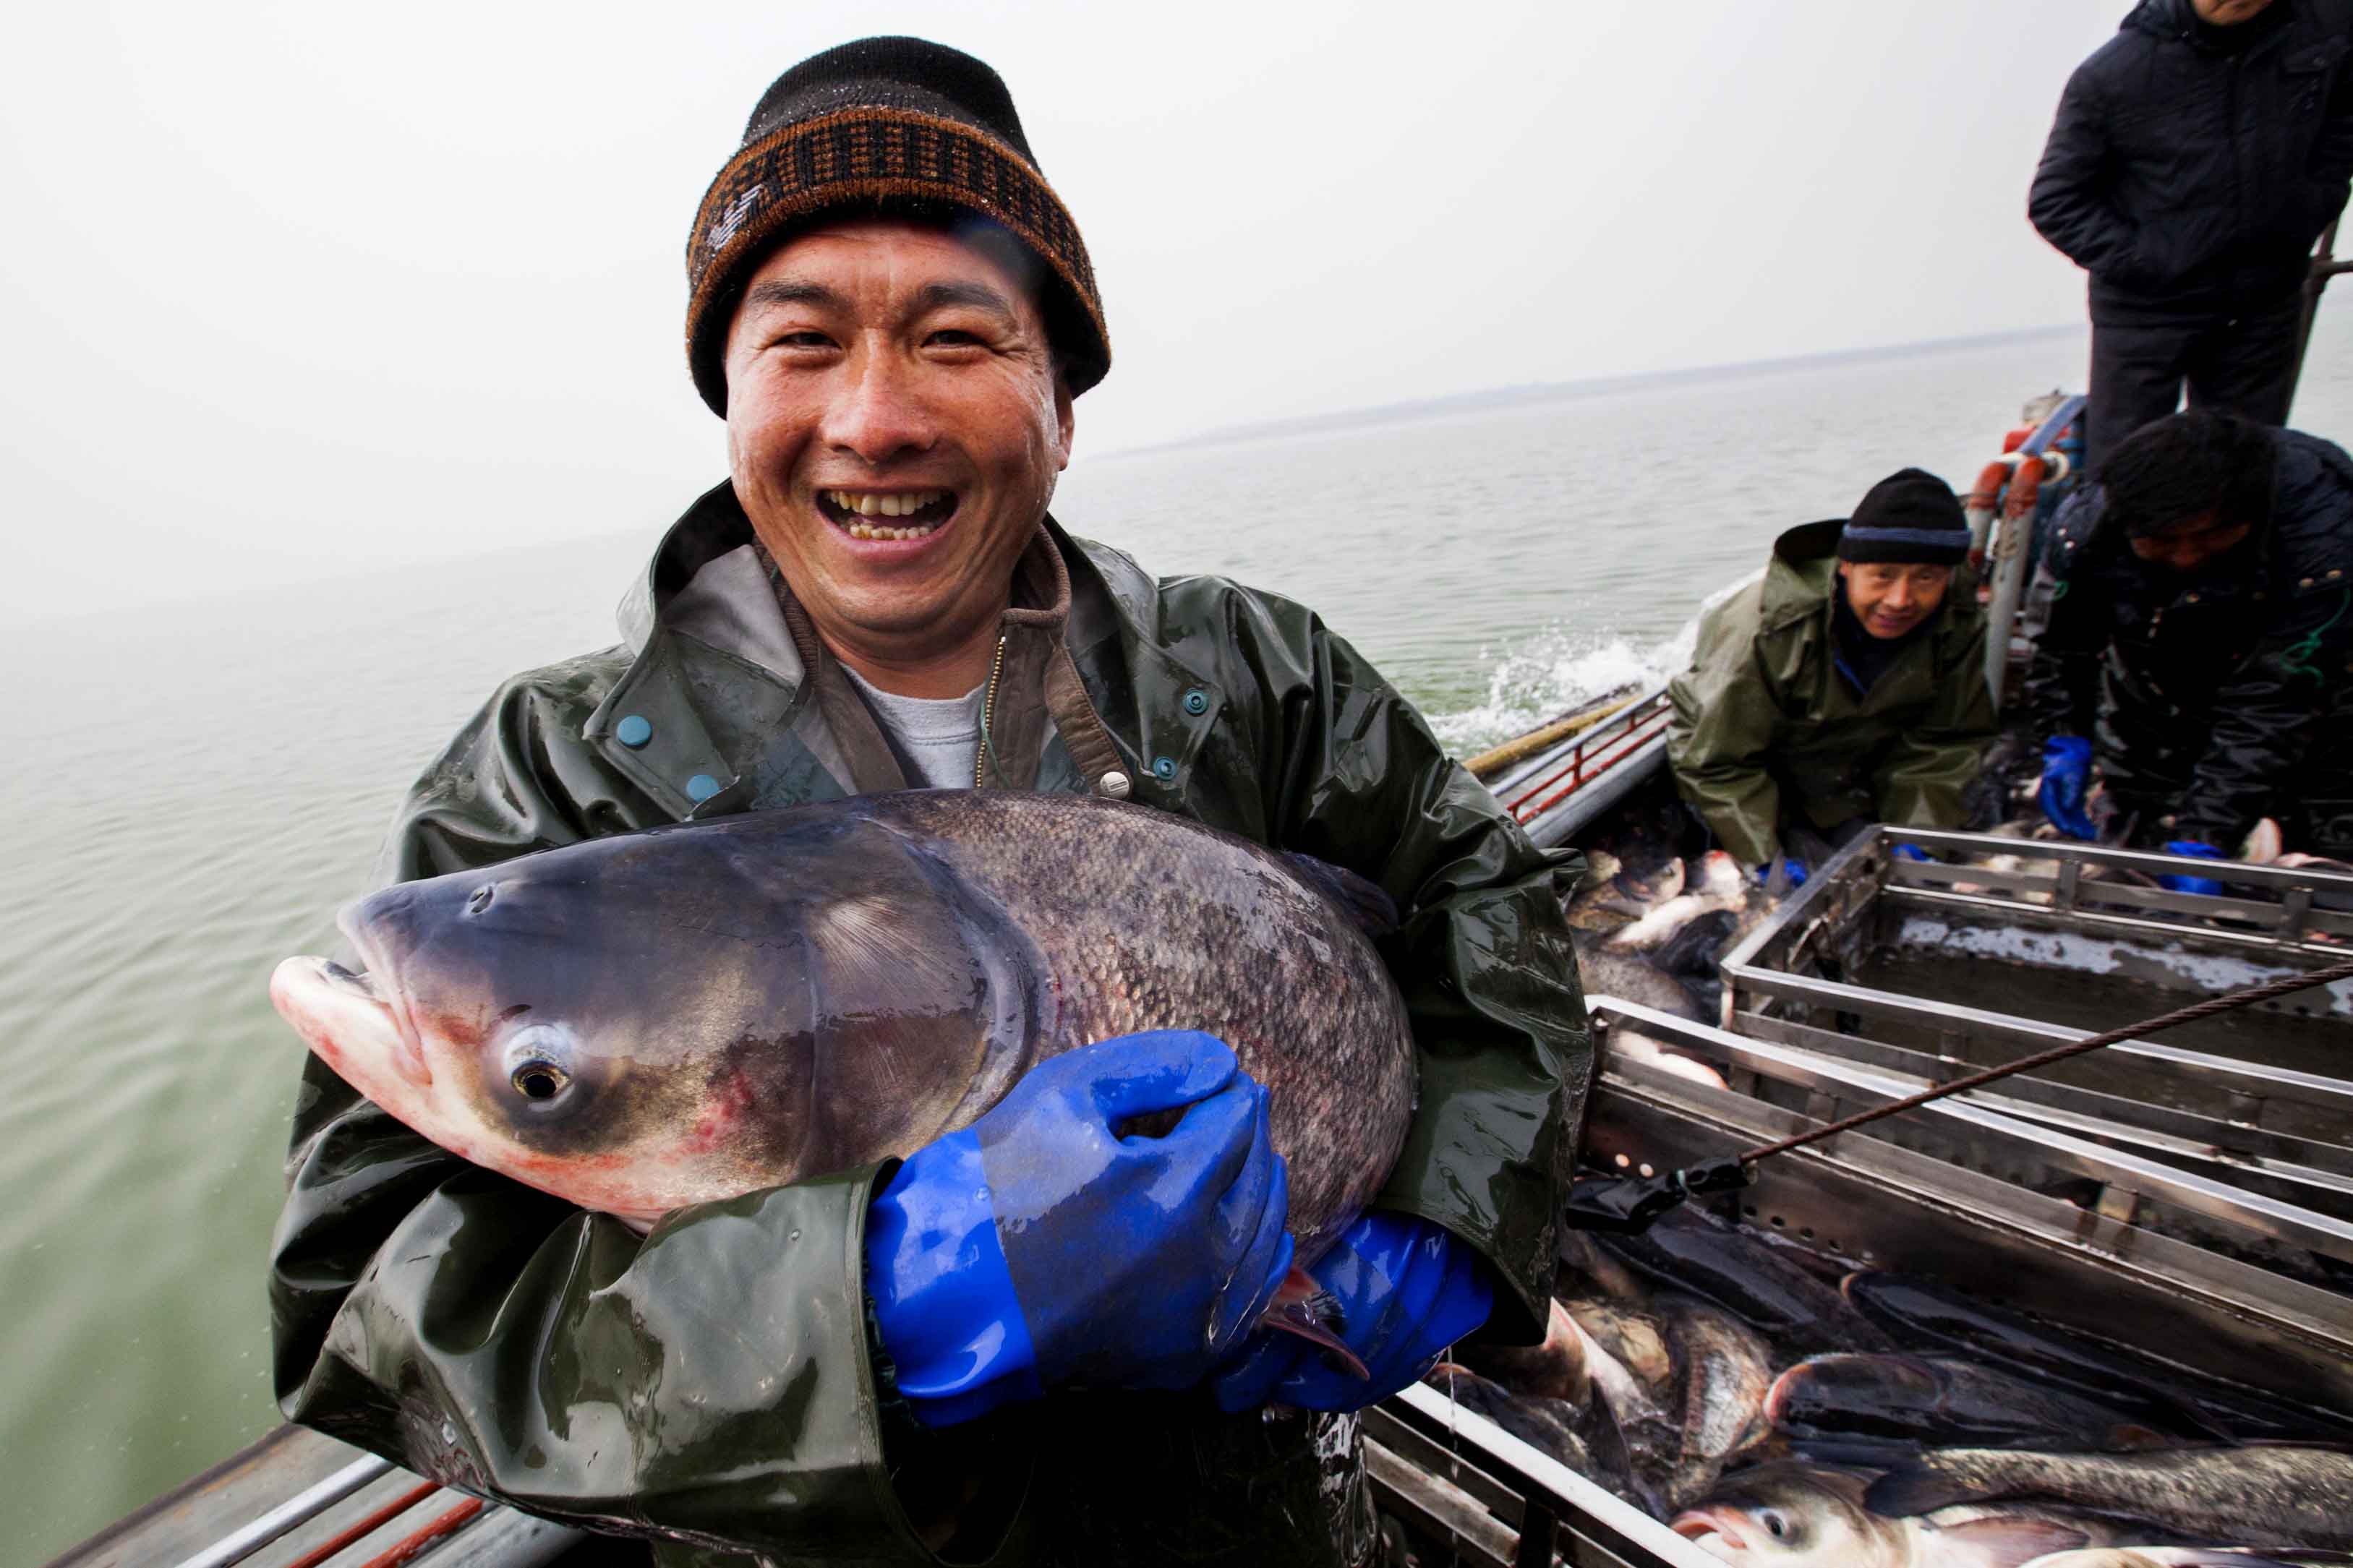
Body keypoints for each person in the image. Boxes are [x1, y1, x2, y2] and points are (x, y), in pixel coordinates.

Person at [266, 36, 1587, 1568]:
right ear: (729, 398)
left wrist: (1445, 1212)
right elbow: (371, 1293)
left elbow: (1488, 909)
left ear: (1059, 405)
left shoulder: (1257, 672)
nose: (875, 416)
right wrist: (861, 1305)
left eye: (956, 337)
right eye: (803, 342)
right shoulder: (546, 771)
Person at [2028, 411, 2353, 887]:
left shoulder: (2325, 540)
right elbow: (2061, 645)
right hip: (2157, 684)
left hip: (2315, 699)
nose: (2185, 556)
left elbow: (2278, 700)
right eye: (2162, 541)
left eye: (2208, 536)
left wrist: (2206, 836)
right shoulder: (2084, 529)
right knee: (2133, 830)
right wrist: (2064, 738)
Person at [2027, 0, 2353, 466]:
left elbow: (2341, 123)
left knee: (2247, 473)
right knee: (2128, 476)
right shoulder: (2111, 76)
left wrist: (2309, 210)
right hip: (2146, 314)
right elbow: (2055, 202)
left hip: (2265, 300)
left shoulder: (2326, 28)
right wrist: (2151, 263)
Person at [1667, 469, 1997, 886]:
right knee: (1783, 887)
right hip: (1745, 778)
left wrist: (1915, 840)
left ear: (1949, 577)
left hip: (1851, 775)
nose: (1900, 600)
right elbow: (1716, 762)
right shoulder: (1765, 630)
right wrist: (1763, 857)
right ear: (1847, 565)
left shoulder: (1959, 621)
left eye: (1926, 578)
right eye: (1883, 575)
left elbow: (1944, 743)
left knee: (1916, 870)